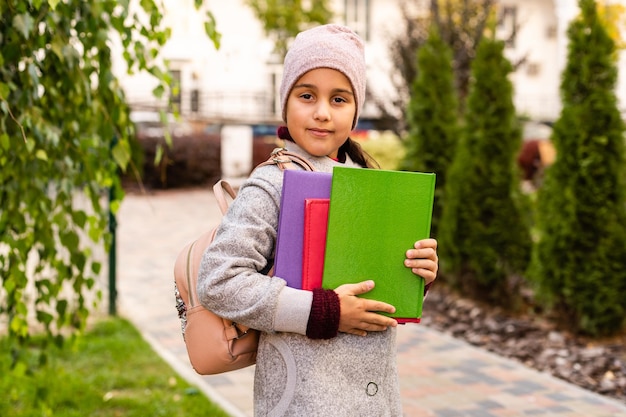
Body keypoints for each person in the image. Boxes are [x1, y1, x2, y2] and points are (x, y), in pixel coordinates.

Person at [197, 24, 439, 416]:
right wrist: (323, 311)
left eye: (339, 99)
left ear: (355, 109)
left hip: (374, 401)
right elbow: (218, 280)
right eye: (307, 95)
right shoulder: (272, 182)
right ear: (285, 101)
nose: (322, 113)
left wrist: (417, 273)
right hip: (305, 400)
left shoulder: (370, 180)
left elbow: (377, 287)